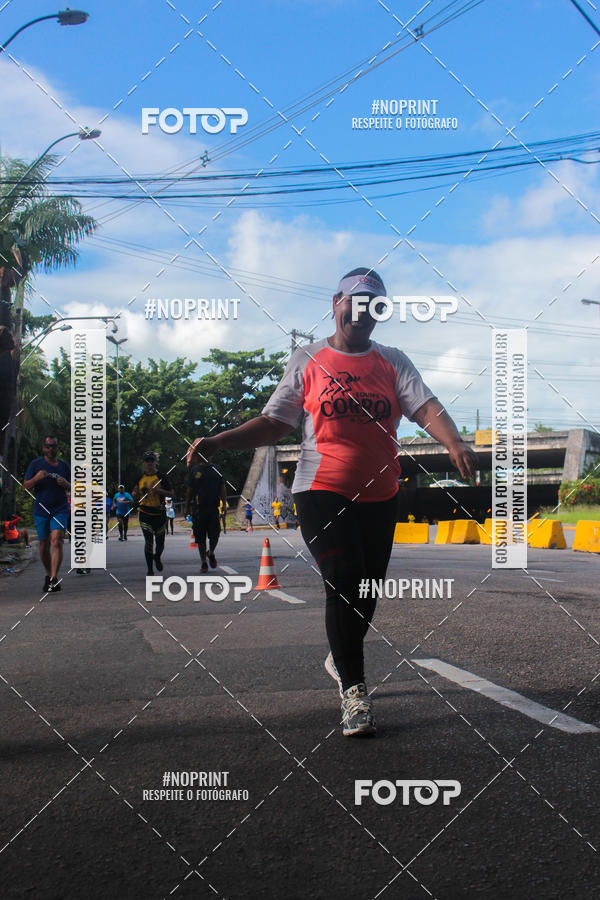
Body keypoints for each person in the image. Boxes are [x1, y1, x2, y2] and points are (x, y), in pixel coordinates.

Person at [187, 267, 477, 738]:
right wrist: (220, 440)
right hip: (321, 489)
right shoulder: (308, 359)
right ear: (336, 302)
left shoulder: (392, 361)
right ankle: (355, 692)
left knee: (365, 592)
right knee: (343, 580)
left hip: (381, 493)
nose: (361, 312)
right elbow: (274, 422)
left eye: (373, 305)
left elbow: (425, 407)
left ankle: (340, 655)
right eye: (354, 302)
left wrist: (454, 442)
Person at [23, 435, 71, 593]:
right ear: (43, 448)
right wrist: (36, 478)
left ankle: (54, 578)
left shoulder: (64, 466)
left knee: (57, 540)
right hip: (41, 509)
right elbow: (25, 487)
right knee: (44, 546)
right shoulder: (35, 464)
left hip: (60, 508)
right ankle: (48, 574)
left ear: (58, 448)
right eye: (47, 446)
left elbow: (75, 488)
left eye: (53, 446)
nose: (50, 449)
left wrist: (67, 484)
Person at [131, 452, 173, 576]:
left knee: (160, 543)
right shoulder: (139, 478)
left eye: (152, 460)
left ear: (155, 462)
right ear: (143, 463)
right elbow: (134, 492)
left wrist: (159, 491)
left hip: (159, 513)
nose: (149, 463)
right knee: (148, 541)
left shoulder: (162, 477)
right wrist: (135, 494)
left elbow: (172, 493)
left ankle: (157, 557)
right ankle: (150, 569)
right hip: (145, 513)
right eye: (147, 460)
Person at [185, 454, 227, 572]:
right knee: (200, 537)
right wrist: (186, 506)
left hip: (213, 508)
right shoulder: (195, 470)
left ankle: (211, 552)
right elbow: (189, 490)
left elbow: (222, 487)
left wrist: (224, 504)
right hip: (198, 509)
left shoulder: (217, 469)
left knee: (215, 535)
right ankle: (203, 562)